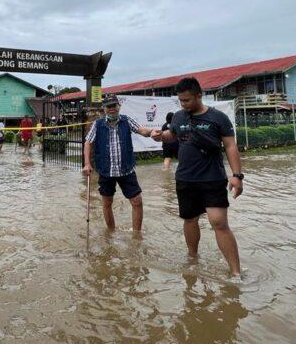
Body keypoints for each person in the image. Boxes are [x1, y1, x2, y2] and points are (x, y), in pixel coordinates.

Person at [152, 77, 244, 278]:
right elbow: (173, 135)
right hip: (186, 179)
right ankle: (193, 258)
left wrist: (237, 176)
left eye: (187, 100)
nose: (183, 104)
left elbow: (230, 146)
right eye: (180, 101)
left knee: (219, 222)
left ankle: (236, 273)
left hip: (213, 178)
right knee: (189, 220)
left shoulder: (218, 118)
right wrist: (161, 135)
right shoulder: (178, 117)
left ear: (199, 95)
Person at [82, 94, 156, 232]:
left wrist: (151, 132)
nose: (111, 109)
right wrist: (87, 163)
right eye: (108, 106)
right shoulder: (98, 125)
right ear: (104, 109)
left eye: (114, 106)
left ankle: (136, 235)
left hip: (126, 170)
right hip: (105, 170)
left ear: (119, 106)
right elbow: (88, 143)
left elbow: (141, 130)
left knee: (137, 201)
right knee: (107, 203)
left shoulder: (126, 121)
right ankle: (111, 233)